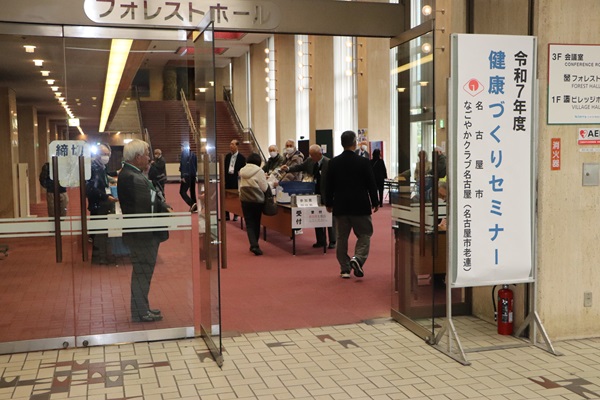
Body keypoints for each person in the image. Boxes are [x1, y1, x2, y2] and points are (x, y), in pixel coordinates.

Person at [118, 139, 172, 323]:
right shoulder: (133, 177)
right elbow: (147, 207)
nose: (149, 158)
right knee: (142, 273)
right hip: (143, 235)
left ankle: (142, 307)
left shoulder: (132, 174)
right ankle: (140, 311)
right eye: (147, 154)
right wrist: (163, 210)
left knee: (143, 272)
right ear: (137, 157)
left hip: (141, 234)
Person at [326, 130, 379, 279]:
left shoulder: (333, 162)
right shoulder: (363, 162)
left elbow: (328, 185)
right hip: (360, 205)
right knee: (365, 234)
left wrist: (328, 203)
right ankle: (358, 258)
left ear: (341, 143)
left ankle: (344, 268)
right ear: (354, 143)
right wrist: (375, 201)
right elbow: (371, 183)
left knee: (341, 237)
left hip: (341, 206)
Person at [281, 144, 336, 249]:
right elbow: (299, 167)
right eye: (310, 154)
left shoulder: (329, 163)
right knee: (317, 217)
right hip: (313, 193)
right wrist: (288, 168)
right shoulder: (309, 161)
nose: (311, 157)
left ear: (319, 154)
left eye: (313, 155)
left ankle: (333, 240)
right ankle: (321, 240)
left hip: (326, 193)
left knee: (330, 217)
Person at [86, 144, 118, 265]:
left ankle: (101, 255)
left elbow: (104, 178)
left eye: (107, 154)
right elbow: (91, 189)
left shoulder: (101, 166)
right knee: (99, 231)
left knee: (102, 230)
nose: (106, 157)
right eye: (103, 154)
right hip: (97, 202)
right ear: (97, 155)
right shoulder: (92, 168)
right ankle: (98, 257)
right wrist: (106, 197)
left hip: (102, 201)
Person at [238, 153, 270, 256]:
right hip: (257, 200)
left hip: (245, 199)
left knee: (249, 223)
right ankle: (255, 245)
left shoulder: (242, 170)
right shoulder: (259, 171)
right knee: (256, 222)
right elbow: (264, 188)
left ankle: (254, 244)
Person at [224, 139, 246, 221]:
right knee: (226, 196)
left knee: (235, 197)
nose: (231, 146)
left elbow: (243, 169)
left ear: (237, 146)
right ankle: (226, 214)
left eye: (233, 144)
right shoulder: (227, 156)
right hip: (228, 178)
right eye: (230, 144)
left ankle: (236, 214)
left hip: (236, 179)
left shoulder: (241, 158)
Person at [179, 141, 198, 212]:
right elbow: (195, 166)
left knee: (182, 192)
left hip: (186, 176)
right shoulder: (194, 155)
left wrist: (182, 176)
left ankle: (192, 204)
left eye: (181, 146)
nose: (181, 148)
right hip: (193, 175)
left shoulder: (184, 154)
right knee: (192, 191)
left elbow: (183, 166)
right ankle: (195, 208)